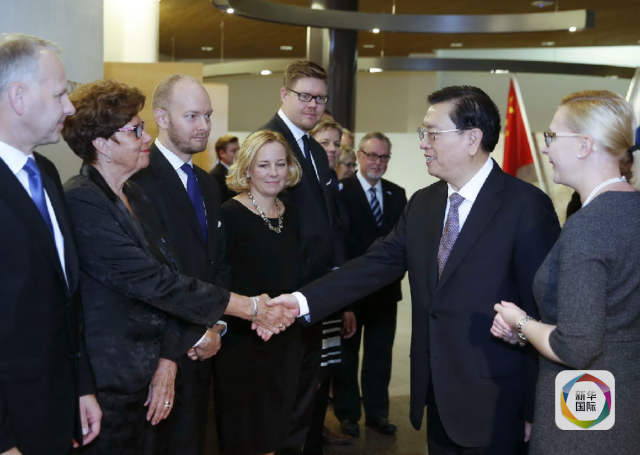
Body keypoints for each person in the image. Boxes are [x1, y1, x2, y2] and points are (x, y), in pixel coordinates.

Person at [271, 85, 560, 454]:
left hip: (499, 404)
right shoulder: (424, 204)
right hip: (437, 397)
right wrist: (300, 302)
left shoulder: (526, 207)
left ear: (472, 139)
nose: (423, 143)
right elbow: (375, 264)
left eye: (432, 133)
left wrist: (535, 408)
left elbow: (545, 310)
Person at [62, 80, 294, 454]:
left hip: (148, 371)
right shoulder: (82, 200)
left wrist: (215, 324)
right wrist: (250, 307)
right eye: (135, 130)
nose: (146, 137)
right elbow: (154, 281)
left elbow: (182, 269)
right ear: (102, 144)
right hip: (113, 380)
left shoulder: (131, 195)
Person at [491, 90, 640, 454]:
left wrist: (520, 321)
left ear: (584, 146)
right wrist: (528, 334)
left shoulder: (588, 227)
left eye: (552, 136)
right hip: (624, 405)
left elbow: (574, 347)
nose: (546, 149)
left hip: (584, 416)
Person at [0, 33, 101, 455]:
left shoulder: (45, 172)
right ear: (18, 97)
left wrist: (82, 386)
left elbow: (66, 297)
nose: (70, 107)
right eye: (60, 94)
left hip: (56, 410)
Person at [131, 75, 229, 455]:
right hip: (159, 355)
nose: (203, 126)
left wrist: (215, 325)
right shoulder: (136, 180)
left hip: (206, 347)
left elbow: (217, 262)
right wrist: (186, 338)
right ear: (161, 117)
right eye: (191, 116)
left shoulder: (207, 183)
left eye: (208, 115)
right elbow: (149, 277)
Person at [260, 60, 345, 454]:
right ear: (284, 94)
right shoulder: (267, 142)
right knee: (283, 400)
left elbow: (328, 221)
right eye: (305, 96)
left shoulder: (313, 148)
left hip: (314, 294)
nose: (313, 105)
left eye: (320, 98)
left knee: (309, 392)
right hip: (282, 296)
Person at [213, 130, 304, 455]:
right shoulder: (228, 214)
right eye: (264, 165)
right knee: (245, 433)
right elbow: (219, 279)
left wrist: (282, 317)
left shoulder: (291, 213)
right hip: (243, 342)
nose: (274, 172)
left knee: (277, 431)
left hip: (285, 337)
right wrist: (257, 315)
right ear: (247, 169)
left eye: (280, 163)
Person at [333, 132, 407, 438]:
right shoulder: (341, 192)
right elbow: (339, 246)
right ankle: (348, 414)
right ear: (360, 156)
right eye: (372, 155)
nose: (377, 162)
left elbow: (404, 244)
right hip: (351, 294)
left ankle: (377, 414)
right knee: (347, 356)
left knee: (380, 356)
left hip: (385, 293)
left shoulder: (397, 194)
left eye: (383, 156)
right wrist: (345, 301)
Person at [210, 134, 239, 201]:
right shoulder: (215, 176)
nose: (238, 153)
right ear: (222, 153)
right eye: (234, 151)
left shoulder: (240, 172)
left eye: (238, 149)